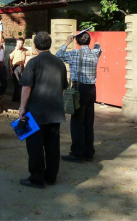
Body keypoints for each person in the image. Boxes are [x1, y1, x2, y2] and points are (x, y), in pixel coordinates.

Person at [18, 32, 67, 188]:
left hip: (35, 111)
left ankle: (37, 178)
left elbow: (26, 87)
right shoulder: (59, 63)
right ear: (50, 44)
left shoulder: (33, 63)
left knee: (35, 146)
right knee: (52, 145)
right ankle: (51, 176)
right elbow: (63, 88)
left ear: (35, 45)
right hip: (55, 110)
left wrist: (21, 108)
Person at [56, 31, 102, 163]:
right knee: (88, 122)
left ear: (77, 42)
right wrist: (97, 43)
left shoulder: (74, 53)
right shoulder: (95, 52)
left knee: (77, 122)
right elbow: (99, 47)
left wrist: (67, 41)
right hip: (92, 89)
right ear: (88, 42)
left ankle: (77, 153)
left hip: (78, 89)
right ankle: (89, 152)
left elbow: (58, 56)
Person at [9, 38, 29, 102]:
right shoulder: (14, 51)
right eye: (18, 43)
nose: (20, 45)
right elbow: (10, 60)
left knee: (21, 83)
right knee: (17, 83)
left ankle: (18, 98)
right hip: (15, 67)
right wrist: (11, 69)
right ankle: (15, 99)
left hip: (22, 68)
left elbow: (31, 53)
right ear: (16, 43)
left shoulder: (24, 50)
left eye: (21, 43)